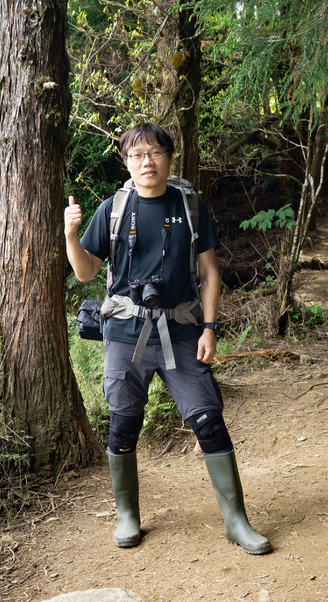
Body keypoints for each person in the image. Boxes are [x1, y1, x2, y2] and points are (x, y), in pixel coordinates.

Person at [64, 123, 271, 555]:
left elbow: (211, 273)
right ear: (126, 161)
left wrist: (211, 329)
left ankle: (236, 520)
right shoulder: (113, 209)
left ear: (169, 158)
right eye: (137, 155)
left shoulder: (189, 205)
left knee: (208, 418)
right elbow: (85, 272)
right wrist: (70, 234)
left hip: (181, 329)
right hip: (124, 332)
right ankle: (127, 515)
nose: (147, 162)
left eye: (155, 153)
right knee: (124, 421)